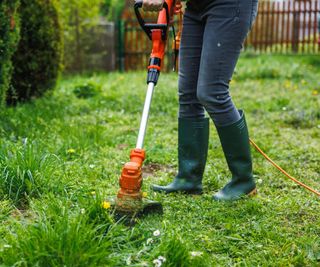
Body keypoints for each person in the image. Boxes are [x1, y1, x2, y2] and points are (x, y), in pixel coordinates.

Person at [143, 0, 259, 200]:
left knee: (212, 92)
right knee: (188, 93)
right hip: (196, 6)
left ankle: (243, 181)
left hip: (229, 5)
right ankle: (188, 178)